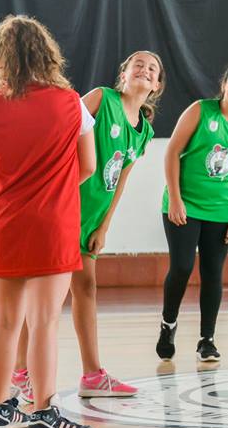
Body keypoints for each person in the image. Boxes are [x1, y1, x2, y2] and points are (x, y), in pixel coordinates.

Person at [13, 51, 162, 401]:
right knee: (41, 297)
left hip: (91, 219)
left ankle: (93, 374)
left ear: (156, 85)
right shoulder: (101, 98)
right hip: (61, 210)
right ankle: (20, 371)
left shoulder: (144, 131)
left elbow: (121, 180)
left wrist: (104, 226)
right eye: (137, 64)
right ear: (122, 75)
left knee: (87, 290)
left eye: (152, 68)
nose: (144, 69)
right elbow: (61, 128)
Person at [0, 14, 96, 428]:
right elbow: (88, 165)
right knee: (44, 322)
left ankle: (0, 407)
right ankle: (43, 414)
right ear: (46, 52)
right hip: (52, 224)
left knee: (4, 321)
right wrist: (49, 192)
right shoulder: (70, 101)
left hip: (3, 221)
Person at [156, 63, 228, 363]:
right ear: (224, 85)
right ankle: (168, 324)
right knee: (181, 267)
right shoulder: (201, 111)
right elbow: (172, 152)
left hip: (220, 212)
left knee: (212, 273)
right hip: (184, 206)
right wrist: (175, 199)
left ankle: (207, 339)